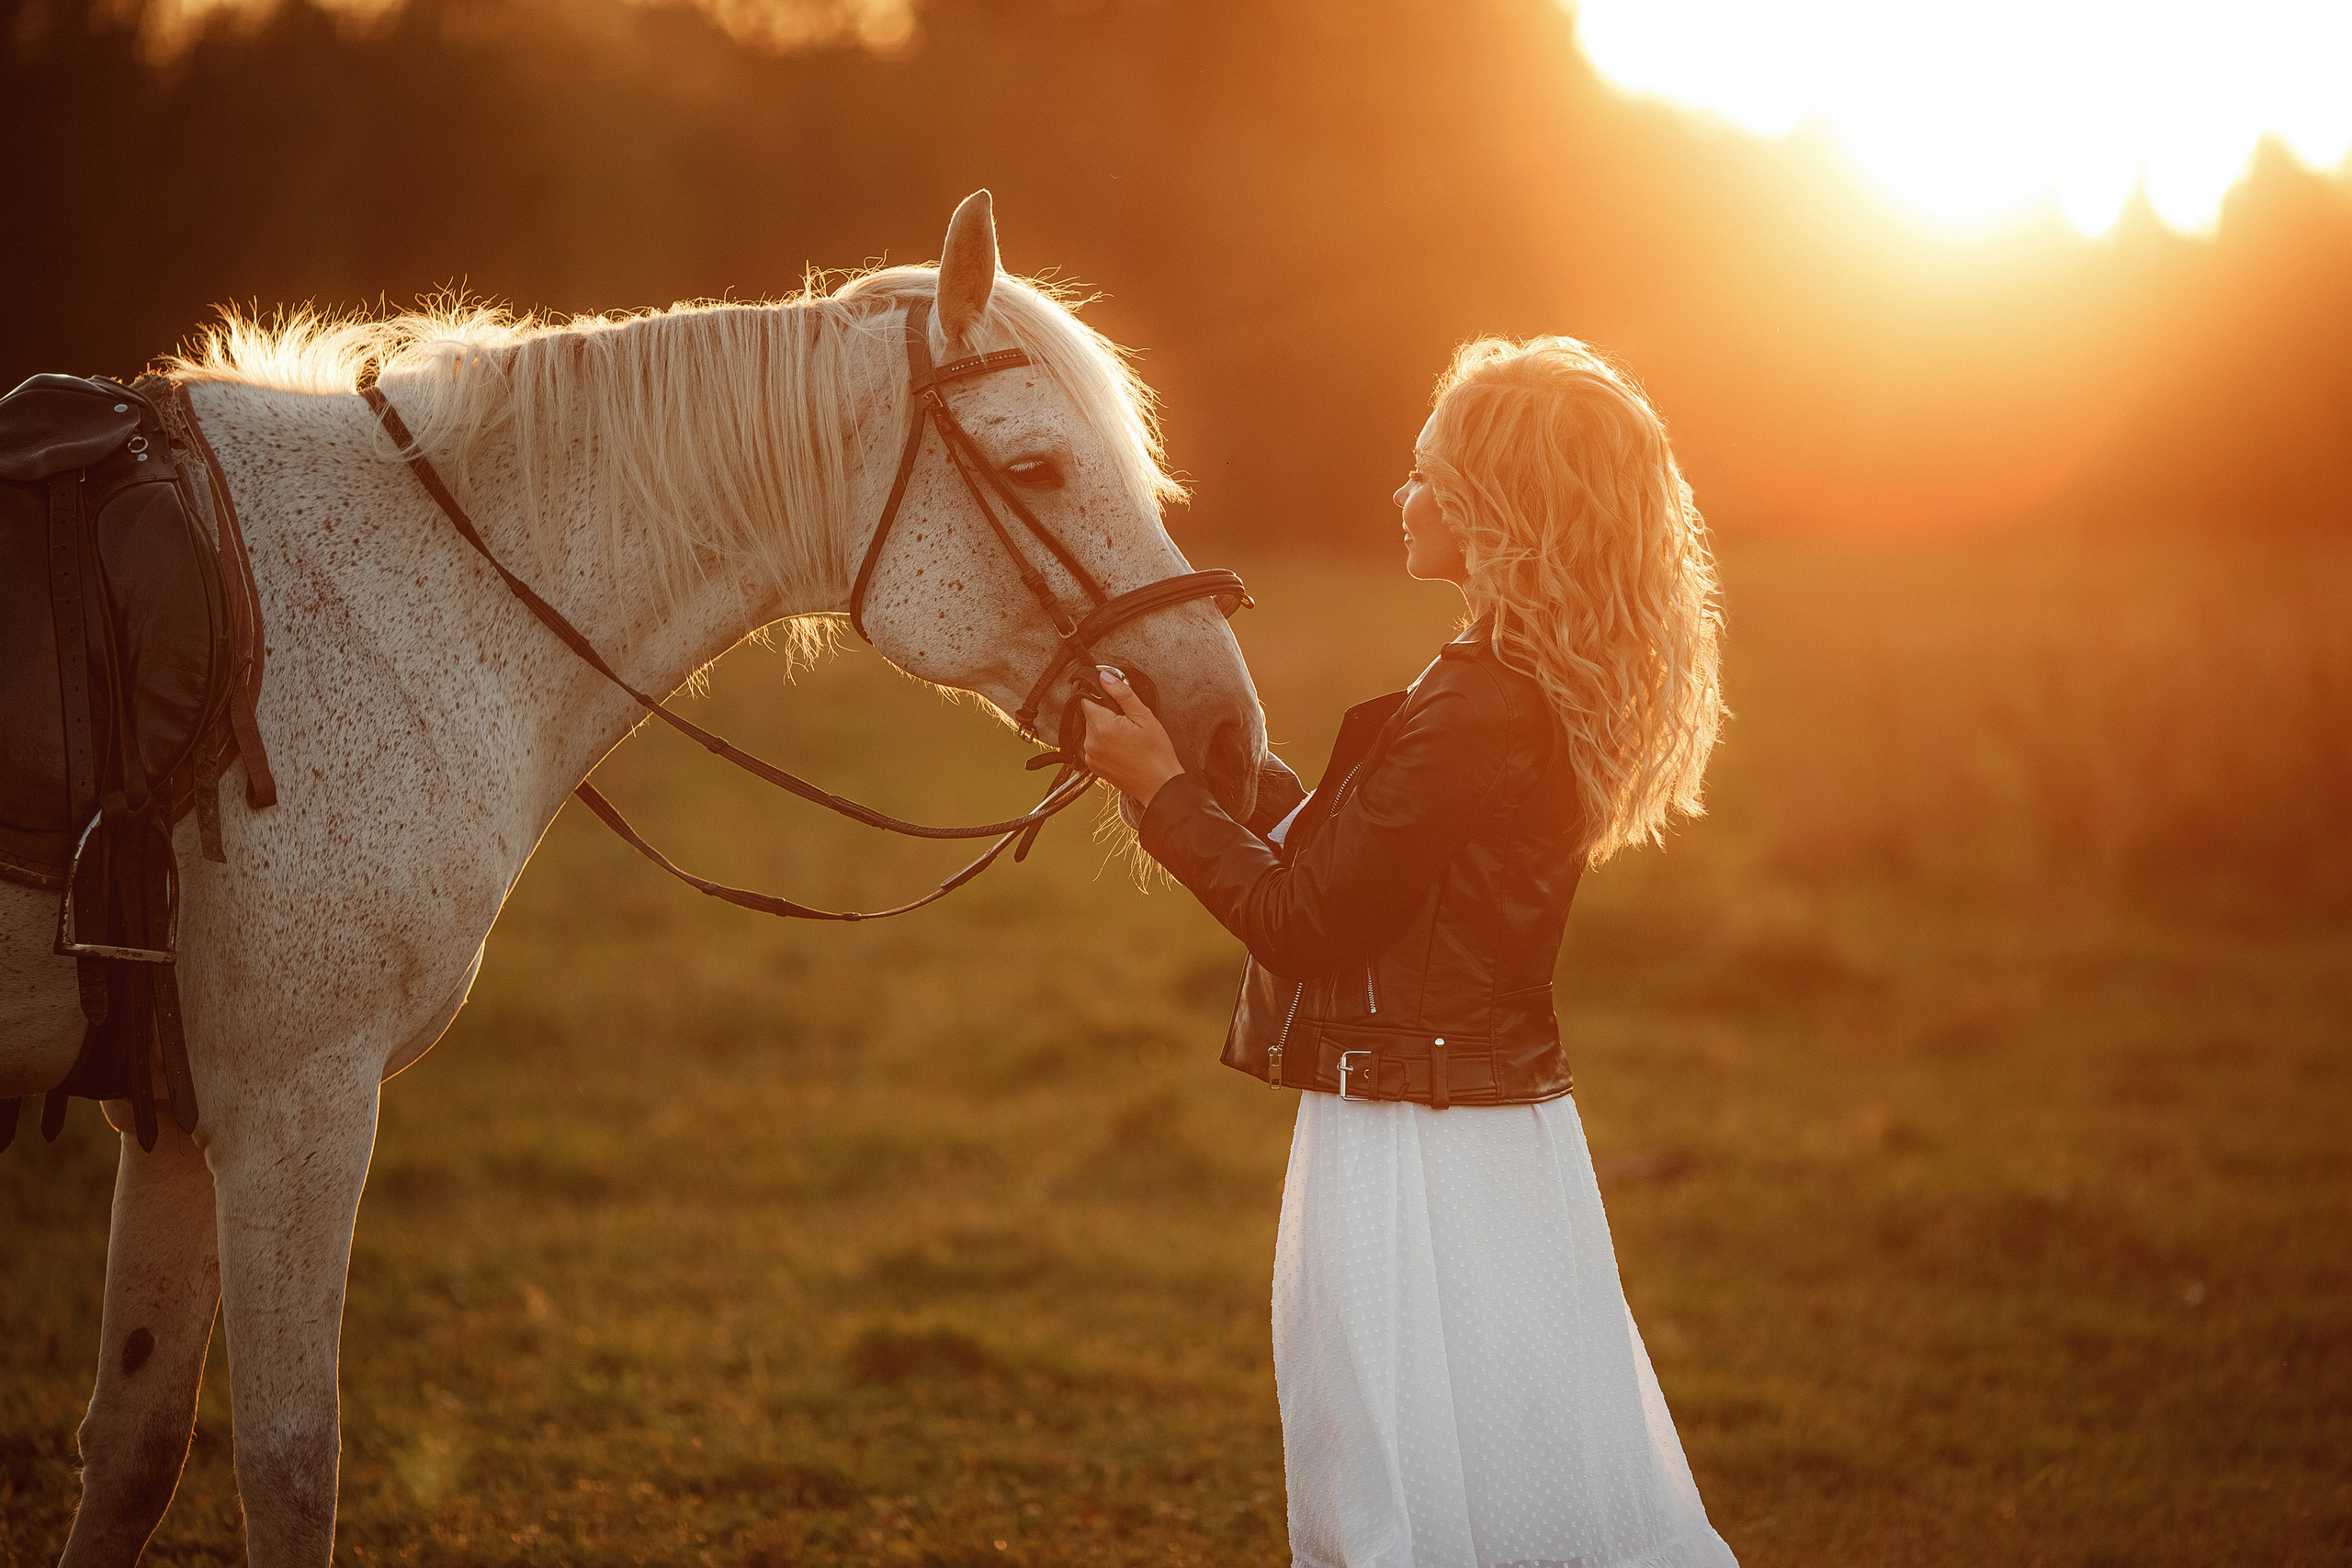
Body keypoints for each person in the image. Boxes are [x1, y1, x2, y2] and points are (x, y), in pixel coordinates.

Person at [1080, 335, 1739, 1568]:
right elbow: (1360, 862)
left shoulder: (1481, 699)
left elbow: (1307, 920)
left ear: (1498, 509)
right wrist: (1192, 765)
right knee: (1497, 1444)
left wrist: (1163, 795)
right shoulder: (1504, 682)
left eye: (1429, 476)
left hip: (1418, 1133)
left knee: (1403, 1463)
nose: (1405, 496)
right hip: (1478, 1116)